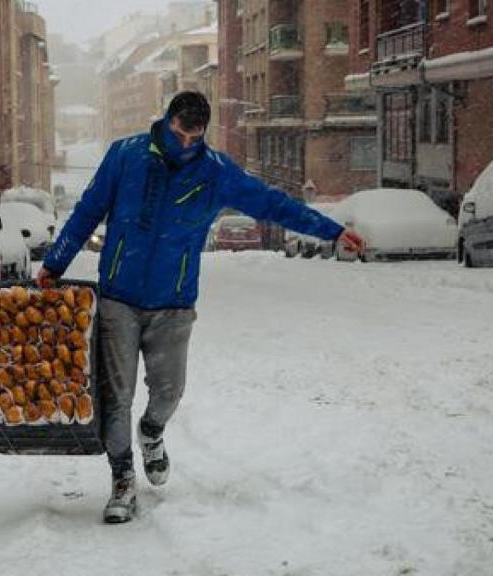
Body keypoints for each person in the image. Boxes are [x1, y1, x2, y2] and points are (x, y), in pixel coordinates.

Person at [38, 92, 364, 524]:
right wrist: (54, 262)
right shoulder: (126, 156)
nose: (185, 143)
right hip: (119, 296)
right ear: (167, 120)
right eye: (179, 133)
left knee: (168, 393)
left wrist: (333, 230)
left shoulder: (216, 172)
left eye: (194, 136)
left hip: (173, 301)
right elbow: (87, 211)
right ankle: (121, 478)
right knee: (116, 398)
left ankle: (152, 433)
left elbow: (273, 204)